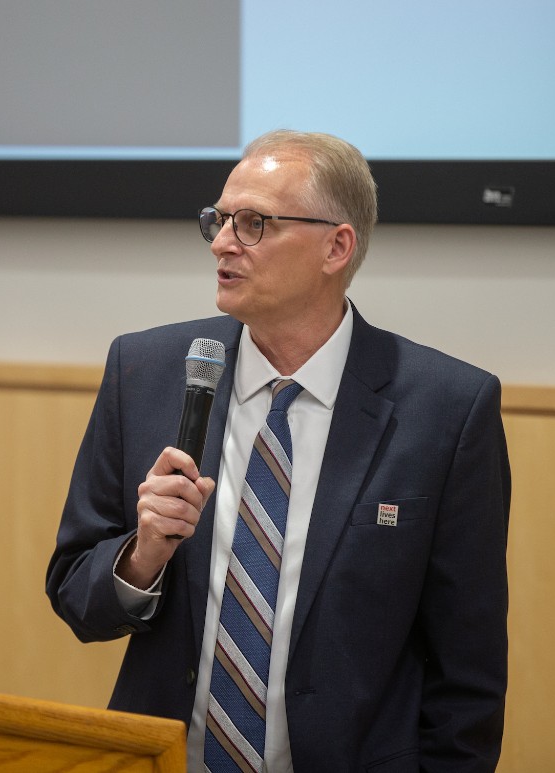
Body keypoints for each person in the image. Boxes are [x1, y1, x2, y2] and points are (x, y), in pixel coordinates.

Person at [46, 130, 510, 772]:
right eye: (219, 220)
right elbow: (75, 595)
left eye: (254, 223)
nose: (222, 242)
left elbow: (470, 675)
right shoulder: (147, 371)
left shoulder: (447, 411)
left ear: (336, 246)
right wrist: (143, 553)